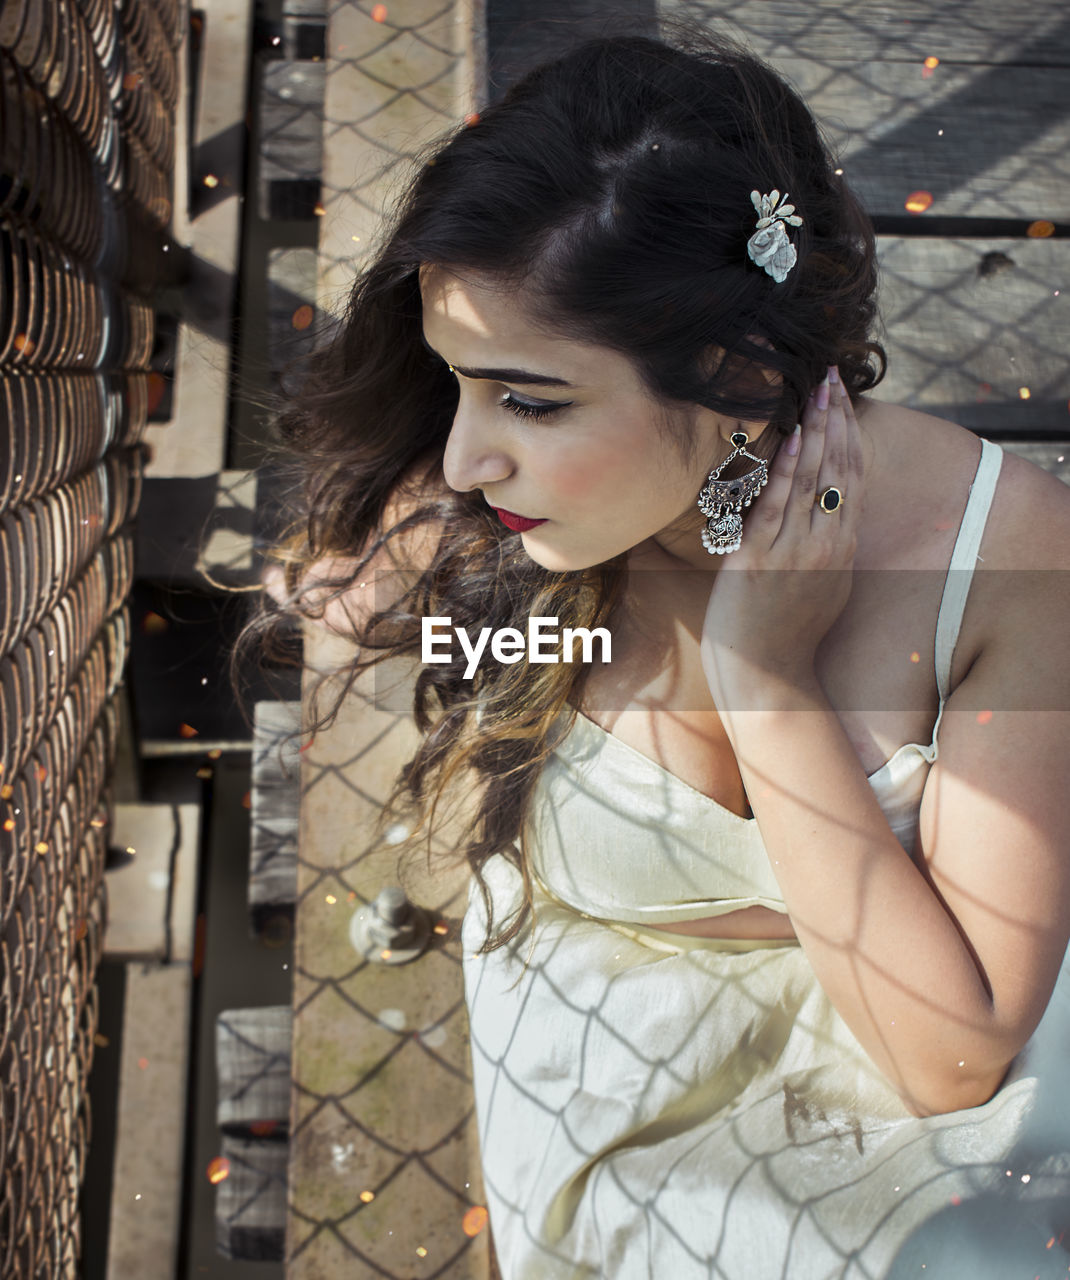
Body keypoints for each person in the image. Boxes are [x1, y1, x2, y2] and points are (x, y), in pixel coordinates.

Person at [253, 21, 1070, 1279]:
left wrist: (763, 676)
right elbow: (330, 593)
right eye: (455, 378)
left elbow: (949, 1059)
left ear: (737, 370)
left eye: (528, 398)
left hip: (925, 1135)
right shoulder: (484, 507)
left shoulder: (1003, 557)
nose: (469, 452)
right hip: (608, 1100)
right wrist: (415, 562)